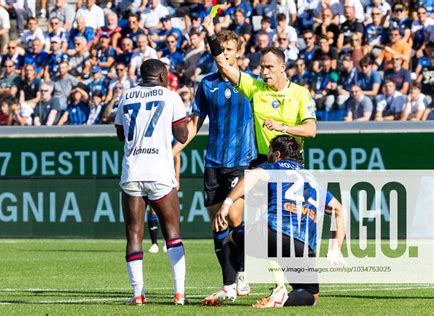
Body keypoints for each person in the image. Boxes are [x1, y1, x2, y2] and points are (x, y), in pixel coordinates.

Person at [213, 135, 345, 308]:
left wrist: (227, 203)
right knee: (310, 294)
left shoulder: (274, 167)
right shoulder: (313, 180)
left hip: (272, 232)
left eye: (269, 152)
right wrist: (335, 248)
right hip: (302, 245)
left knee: (229, 239)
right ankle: (282, 300)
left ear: (276, 154)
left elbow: (254, 175)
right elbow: (340, 210)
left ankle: (230, 288)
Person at [173, 30, 256, 305]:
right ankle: (228, 284)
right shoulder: (206, 84)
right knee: (217, 224)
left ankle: (244, 270)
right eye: (223, 49)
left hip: (241, 162)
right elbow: (195, 124)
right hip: (213, 163)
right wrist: (173, 150)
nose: (227, 54)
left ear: (238, 52)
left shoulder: (249, 83)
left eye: (231, 49)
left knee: (233, 217)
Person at [114, 59, 188, 305]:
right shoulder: (171, 96)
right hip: (159, 171)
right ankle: (179, 293)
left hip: (133, 171)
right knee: (172, 233)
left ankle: (137, 294)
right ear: (162, 77)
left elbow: (120, 134)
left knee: (134, 234)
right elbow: (182, 134)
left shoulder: (126, 96)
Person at [201, 15, 316, 158]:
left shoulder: (300, 93)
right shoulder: (255, 87)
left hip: (292, 162)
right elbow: (224, 67)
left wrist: (283, 127)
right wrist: (211, 35)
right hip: (263, 160)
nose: (265, 72)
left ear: (283, 67)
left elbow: (311, 130)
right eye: (262, 67)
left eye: (270, 67)